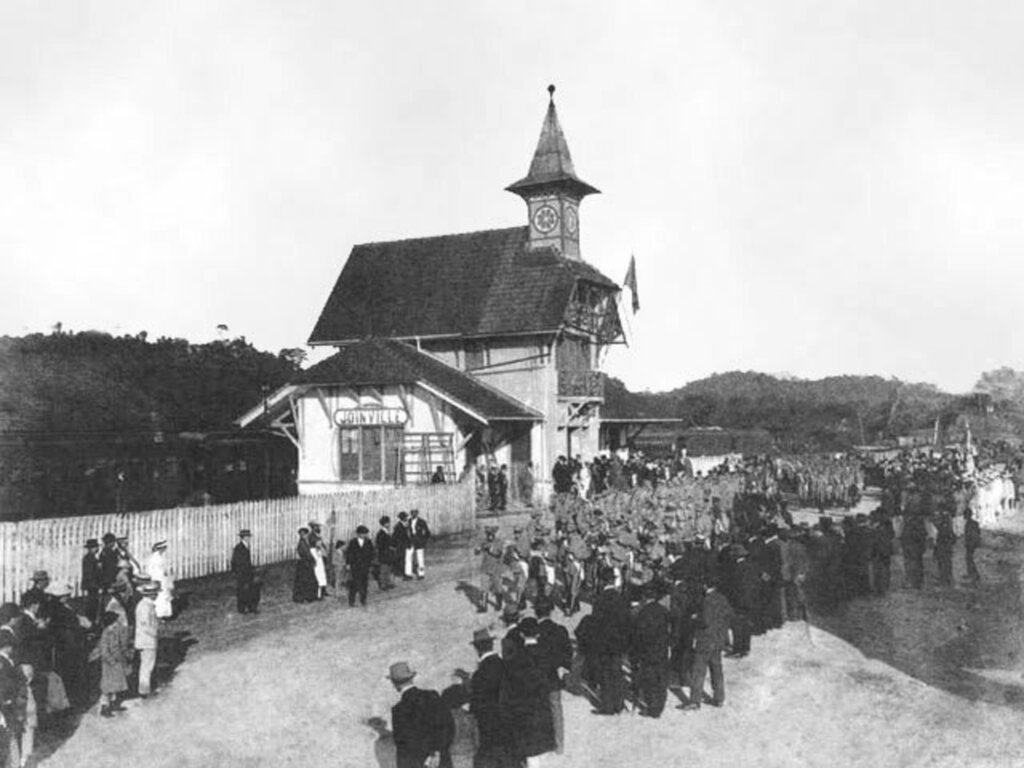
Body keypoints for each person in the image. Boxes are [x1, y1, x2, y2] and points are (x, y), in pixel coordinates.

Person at [387, 661, 453, 768]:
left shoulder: (399, 710)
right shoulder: (432, 696)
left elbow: (403, 745)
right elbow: (448, 726)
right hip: (440, 760)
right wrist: (436, 752)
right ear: (411, 678)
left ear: (394, 683)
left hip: (418, 763)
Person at [466, 628, 515, 768]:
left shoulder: (479, 675)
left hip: (490, 731)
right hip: (510, 726)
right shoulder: (506, 664)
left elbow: (475, 708)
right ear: (492, 644)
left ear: (476, 648)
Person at [681, 579, 733, 711]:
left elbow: (705, 621)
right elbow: (729, 615)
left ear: (705, 586)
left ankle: (694, 700)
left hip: (705, 640)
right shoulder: (722, 598)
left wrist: (695, 618)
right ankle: (719, 697)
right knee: (717, 669)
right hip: (718, 639)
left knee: (698, 671)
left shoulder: (706, 601)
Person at [589, 566, 632, 715]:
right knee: (617, 672)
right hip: (619, 642)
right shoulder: (622, 598)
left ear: (602, 581)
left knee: (605, 674)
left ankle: (608, 705)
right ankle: (619, 704)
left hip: (604, 642)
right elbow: (627, 621)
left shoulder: (599, 600)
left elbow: (594, 623)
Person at [534, 597, 571, 752]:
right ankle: (559, 744)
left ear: (536, 613)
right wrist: (563, 668)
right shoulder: (560, 630)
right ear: (551, 611)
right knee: (556, 709)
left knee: (539, 709)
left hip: (538, 677)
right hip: (554, 676)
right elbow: (568, 652)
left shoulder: (534, 633)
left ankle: (543, 741)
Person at [630, 583, 671, 718]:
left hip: (647, 651)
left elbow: (638, 635)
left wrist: (635, 654)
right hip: (662, 649)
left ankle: (652, 708)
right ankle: (660, 705)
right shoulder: (664, 610)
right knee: (661, 678)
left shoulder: (642, 613)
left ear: (644, 597)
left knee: (650, 680)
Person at [98, 610, 131, 718]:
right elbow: (104, 651)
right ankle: (104, 706)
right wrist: (112, 661)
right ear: (111, 622)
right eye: (115, 621)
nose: (117, 623)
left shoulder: (115, 631)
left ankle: (113, 703)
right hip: (109, 664)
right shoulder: (106, 633)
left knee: (115, 684)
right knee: (107, 687)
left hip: (116, 662)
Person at [134, 581, 160, 698]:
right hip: (147, 640)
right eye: (155, 593)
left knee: (147, 665)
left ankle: (144, 688)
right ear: (151, 594)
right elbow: (145, 624)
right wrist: (154, 633)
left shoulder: (146, 605)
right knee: (147, 666)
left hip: (146, 639)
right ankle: (144, 690)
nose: (157, 595)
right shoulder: (145, 606)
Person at [474, 526, 506, 613]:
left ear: (494, 534)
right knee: (484, 588)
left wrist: (490, 549)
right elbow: (476, 552)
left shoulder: (499, 542)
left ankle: (499, 604)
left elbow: (498, 554)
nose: (489, 536)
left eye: (491, 534)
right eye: (488, 534)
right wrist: (478, 549)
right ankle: (483, 607)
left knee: (498, 588)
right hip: (485, 567)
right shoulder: (484, 542)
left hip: (496, 568)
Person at [344, 526, 376, 607]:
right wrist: (348, 564)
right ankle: (351, 601)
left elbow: (372, 553)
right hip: (355, 566)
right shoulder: (353, 542)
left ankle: (363, 600)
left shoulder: (368, 542)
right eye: (362, 533)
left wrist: (370, 562)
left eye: (365, 533)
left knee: (364, 584)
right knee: (354, 584)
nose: (364, 535)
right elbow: (349, 554)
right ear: (358, 534)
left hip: (365, 566)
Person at [231, 529, 260, 614]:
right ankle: (242, 608)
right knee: (242, 591)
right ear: (243, 538)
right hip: (242, 573)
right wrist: (240, 573)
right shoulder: (239, 548)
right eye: (247, 537)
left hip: (247, 573)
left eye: (248, 537)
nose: (248, 538)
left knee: (250, 590)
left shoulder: (246, 546)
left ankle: (250, 607)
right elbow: (236, 562)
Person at [145, 541, 174, 619]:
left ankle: (164, 614)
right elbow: (151, 570)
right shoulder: (155, 558)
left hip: (162, 579)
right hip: (158, 579)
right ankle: (160, 614)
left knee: (164, 595)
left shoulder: (161, 557)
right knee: (161, 596)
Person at [293, 527, 319, 603]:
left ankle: (309, 596)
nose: (304, 535)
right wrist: (312, 559)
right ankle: (303, 597)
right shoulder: (301, 543)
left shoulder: (305, 542)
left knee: (308, 581)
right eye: (302, 534)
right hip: (304, 565)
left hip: (307, 564)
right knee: (304, 582)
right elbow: (306, 554)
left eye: (305, 534)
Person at [81, 539, 101, 622]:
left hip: (92, 585)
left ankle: (91, 620)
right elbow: (89, 574)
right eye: (94, 547)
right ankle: (90, 621)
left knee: (93, 603)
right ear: (89, 549)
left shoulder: (92, 558)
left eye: (96, 547)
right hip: (91, 585)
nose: (96, 549)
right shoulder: (89, 558)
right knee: (92, 604)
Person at [408, 510, 431, 580]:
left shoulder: (422, 522)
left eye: (415, 512)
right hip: (411, 541)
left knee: (420, 558)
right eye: (412, 513)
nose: (413, 514)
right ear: (411, 513)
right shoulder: (409, 521)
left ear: (417, 513)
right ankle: (408, 574)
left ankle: (421, 574)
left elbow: (427, 532)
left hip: (419, 542)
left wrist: (424, 541)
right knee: (408, 557)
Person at [375, 517, 395, 591]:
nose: (388, 524)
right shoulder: (380, 533)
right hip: (384, 553)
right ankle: (383, 584)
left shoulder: (387, 532)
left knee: (389, 568)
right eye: (387, 523)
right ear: (383, 524)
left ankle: (388, 582)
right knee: (383, 569)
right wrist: (388, 547)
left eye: (388, 522)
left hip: (389, 553)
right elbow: (380, 544)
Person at [964, 509, 982, 582]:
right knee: (969, 559)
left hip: (971, 544)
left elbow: (972, 535)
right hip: (971, 543)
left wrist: (970, 543)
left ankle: (974, 575)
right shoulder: (973, 523)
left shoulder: (970, 524)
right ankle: (971, 573)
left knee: (969, 559)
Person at [394, 512, 413, 581]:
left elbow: (409, 535)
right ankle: (404, 574)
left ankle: (407, 573)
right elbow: (396, 537)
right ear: (401, 518)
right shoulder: (398, 527)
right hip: (401, 545)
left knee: (407, 559)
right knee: (403, 560)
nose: (406, 518)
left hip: (407, 544)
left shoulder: (407, 525)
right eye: (405, 517)